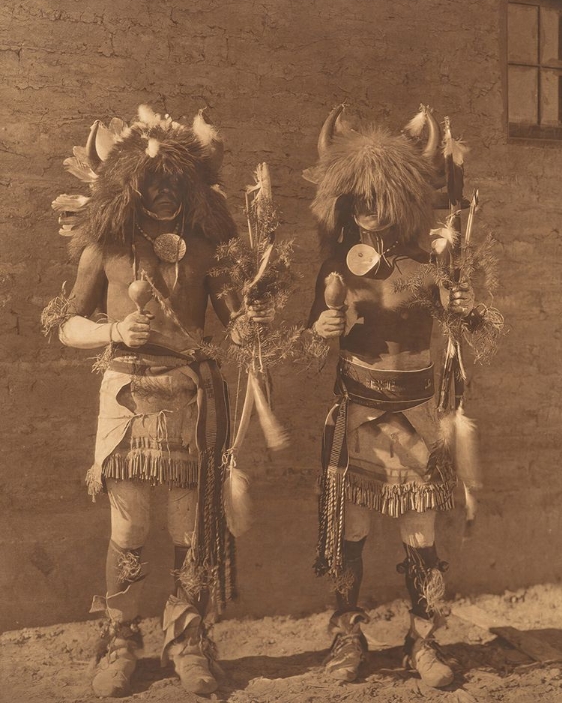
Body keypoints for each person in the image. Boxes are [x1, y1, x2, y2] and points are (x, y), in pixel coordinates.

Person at [42, 105, 272, 698]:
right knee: (130, 519)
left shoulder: (203, 249)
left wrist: (248, 322)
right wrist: (116, 332)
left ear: (190, 185)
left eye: (175, 181)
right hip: (125, 393)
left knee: (187, 523)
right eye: (153, 181)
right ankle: (120, 639)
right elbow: (68, 325)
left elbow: (235, 314)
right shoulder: (106, 247)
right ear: (130, 184)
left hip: (188, 395)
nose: (164, 191)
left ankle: (188, 638)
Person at [305, 105, 475, 688]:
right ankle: (346, 638)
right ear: (349, 201)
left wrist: (466, 309)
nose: (372, 209)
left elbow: (470, 323)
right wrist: (321, 330)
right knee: (349, 531)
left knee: (420, 535)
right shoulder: (337, 266)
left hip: (417, 418)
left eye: (384, 197)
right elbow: (311, 337)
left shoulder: (428, 267)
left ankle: (422, 642)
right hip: (356, 416)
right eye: (362, 198)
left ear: (403, 199)